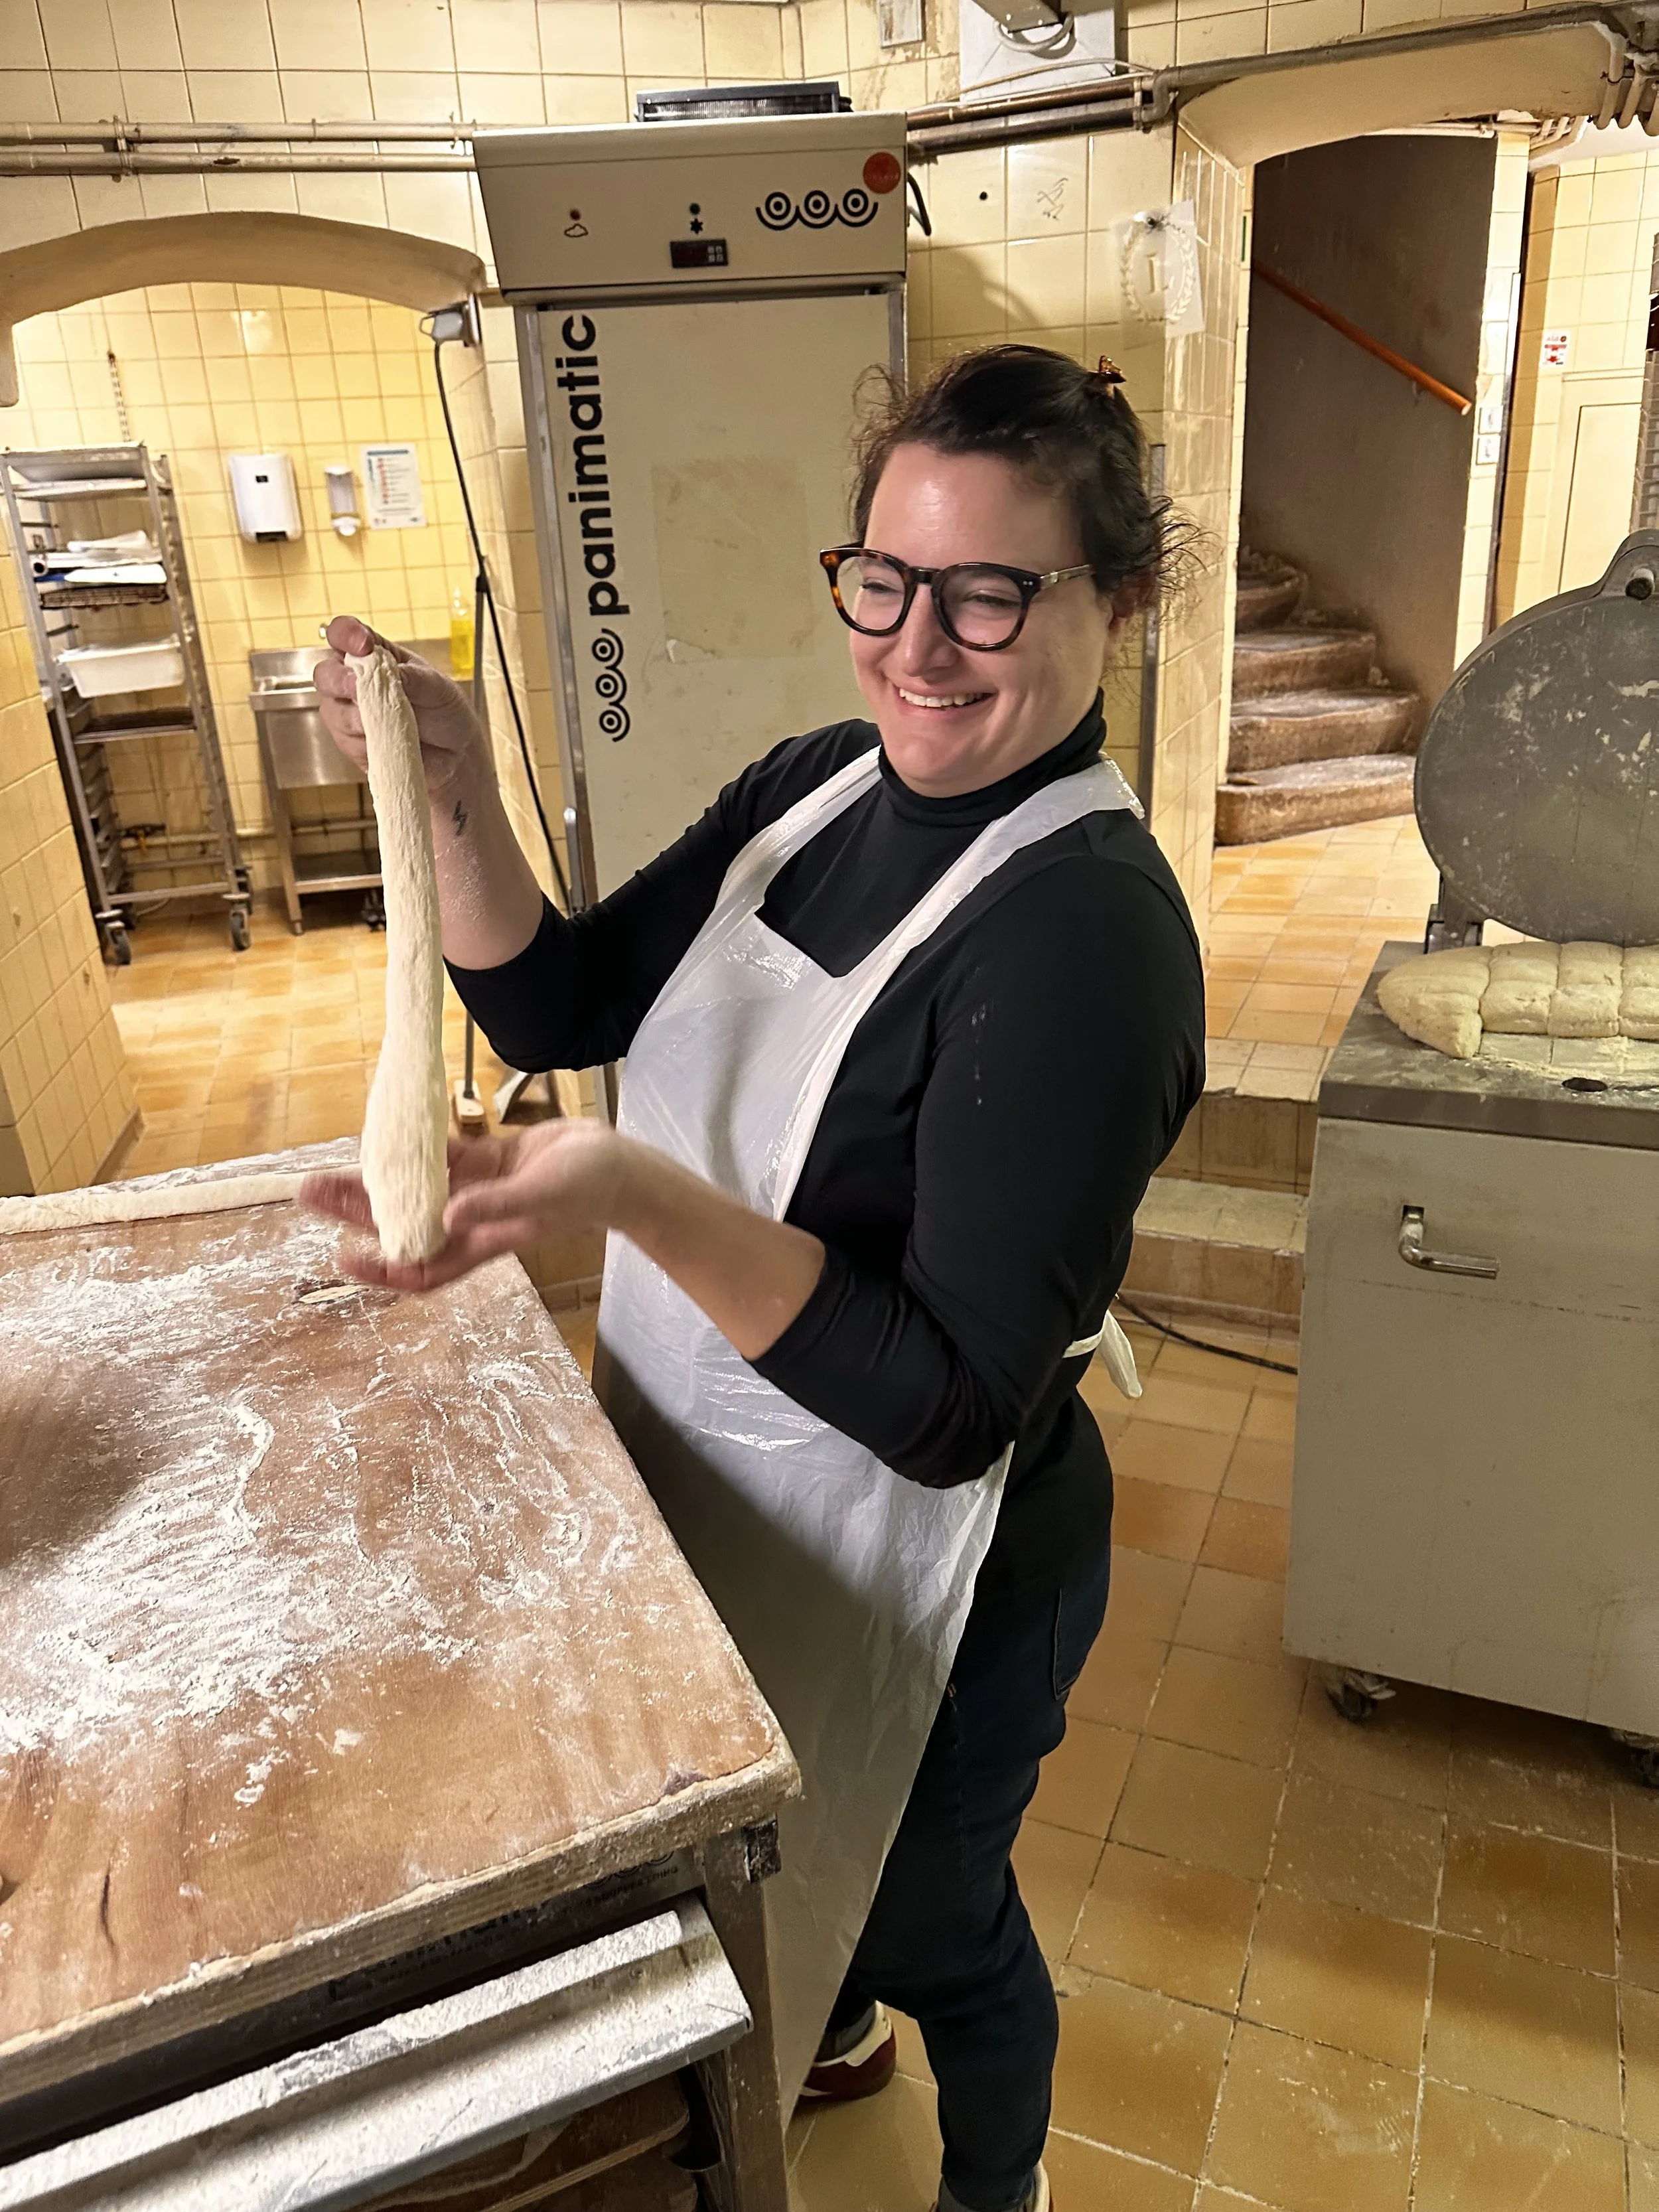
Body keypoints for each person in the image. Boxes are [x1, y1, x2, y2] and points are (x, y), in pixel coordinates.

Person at [309, 344, 1205, 2212]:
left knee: (940, 1915)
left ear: (1115, 599)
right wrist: (452, 790)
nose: (916, 644)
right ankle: (834, 2015)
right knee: (792, 1859)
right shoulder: (817, 788)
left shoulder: (1080, 939)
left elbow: (953, 1405)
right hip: (722, 1491)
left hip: (932, 1575)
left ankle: (999, 2178)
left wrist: (625, 1185)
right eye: (880, 581)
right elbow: (565, 999)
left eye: (987, 591)